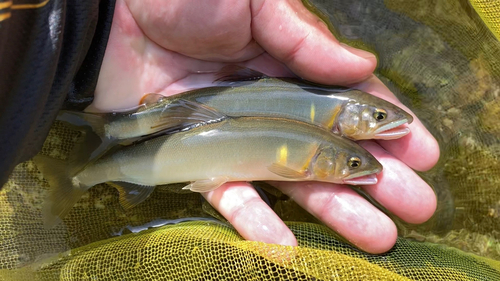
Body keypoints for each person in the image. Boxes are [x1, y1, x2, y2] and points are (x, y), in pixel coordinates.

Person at [0, 0, 439, 254]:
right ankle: (102, 136)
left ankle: (99, 134)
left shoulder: (320, 131)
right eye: (379, 117)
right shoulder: (318, 130)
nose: (384, 123)